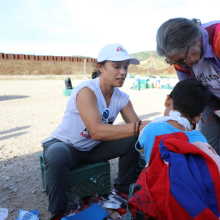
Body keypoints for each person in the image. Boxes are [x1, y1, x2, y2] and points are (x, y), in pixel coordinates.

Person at [42, 43, 150, 220]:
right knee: (56, 154)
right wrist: (139, 126)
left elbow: (139, 129)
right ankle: (58, 213)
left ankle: (121, 193)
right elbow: (96, 132)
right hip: (67, 146)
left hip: (93, 149)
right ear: (100, 67)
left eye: (125, 67)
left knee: (133, 140)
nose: (123, 72)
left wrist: (158, 130)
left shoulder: (121, 98)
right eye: (116, 66)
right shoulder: (87, 90)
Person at [156, 18, 220, 155]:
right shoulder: (179, 59)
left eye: (182, 59)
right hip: (211, 97)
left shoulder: (218, 38)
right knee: (208, 143)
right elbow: (187, 92)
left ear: (195, 40)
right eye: (173, 61)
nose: (181, 64)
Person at [135, 78, 211, 164]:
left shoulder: (150, 128)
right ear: (197, 117)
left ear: (168, 100)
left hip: (153, 177)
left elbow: (143, 150)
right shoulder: (201, 140)